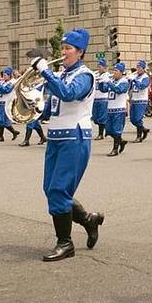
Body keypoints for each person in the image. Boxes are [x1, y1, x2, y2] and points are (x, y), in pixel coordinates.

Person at [30, 29, 105, 262]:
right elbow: (53, 107)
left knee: (59, 190)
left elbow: (69, 94)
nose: (63, 53)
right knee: (51, 188)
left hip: (74, 136)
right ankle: (87, 219)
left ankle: (65, 243)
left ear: (80, 52)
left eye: (68, 49)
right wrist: (32, 100)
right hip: (56, 136)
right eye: (62, 49)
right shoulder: (61, 75)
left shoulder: (84, 75)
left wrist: (45, 72)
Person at [100, 62, 130, 157]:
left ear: (121, 72)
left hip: (119, 109)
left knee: (117, 130)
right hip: (110, 109)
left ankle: (115, 149)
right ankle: (121, 141)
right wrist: (101, 82)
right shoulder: (112, 80)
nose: (114, 73)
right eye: (113, 70)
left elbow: (119, 90)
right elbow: (104, 90)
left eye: (116, 71)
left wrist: (108, 82)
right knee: (108, 130)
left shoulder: (124, 82)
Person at [0, 67, 20, 142]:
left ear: (10, 75)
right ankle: (13, 132)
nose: (3, 77)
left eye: (5, 75)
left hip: (7, 102)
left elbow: (5, 90)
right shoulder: (3, 82)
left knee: (1, 120)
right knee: (4, 120)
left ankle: (1, 136)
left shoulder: (13, 82)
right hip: (0, 102)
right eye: (3, 75)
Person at [128, 61, 151, 142]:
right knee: (132, 119)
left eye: (139, 67)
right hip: (134, 99)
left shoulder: (146, 77)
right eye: (137, 67)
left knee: (138, 119)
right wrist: (128, 80)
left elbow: (142, 86)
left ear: (143, 69)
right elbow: (130, 87)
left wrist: (134, 80)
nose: (138, 69)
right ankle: (143, 129)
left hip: (141, 100)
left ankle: (139, 136)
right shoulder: (135, 76)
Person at [91, 58, 110, 140]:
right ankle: (107, 129)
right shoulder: (95, 74)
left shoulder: (107, 75)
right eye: (98, 66)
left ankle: (101, 134)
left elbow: (106, 87)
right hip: (95, 98)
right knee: (95, 117)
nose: (99, 68)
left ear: (105, 67)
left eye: (101, 66)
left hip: (103, 98)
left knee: (101, 117)